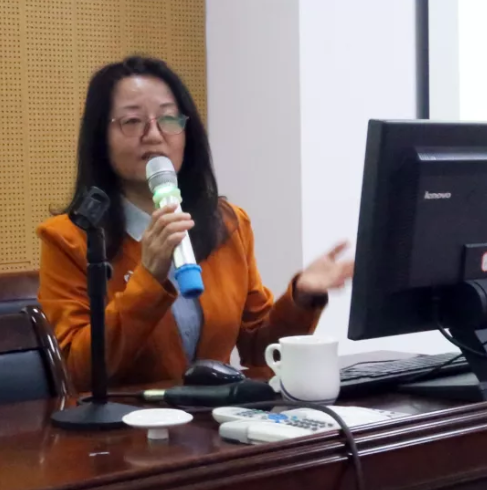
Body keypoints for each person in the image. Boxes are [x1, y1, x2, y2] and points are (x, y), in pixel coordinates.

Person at [37, 56, 354, 392]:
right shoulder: (70, 238)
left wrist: (301, 297)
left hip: (216, 419)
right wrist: (149, 278)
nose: (154, 135)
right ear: (101, 138)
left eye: (168, 118)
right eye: (132, 121)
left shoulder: (228, 224)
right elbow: (75, 372)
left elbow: (258, 348)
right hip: (126, 421)